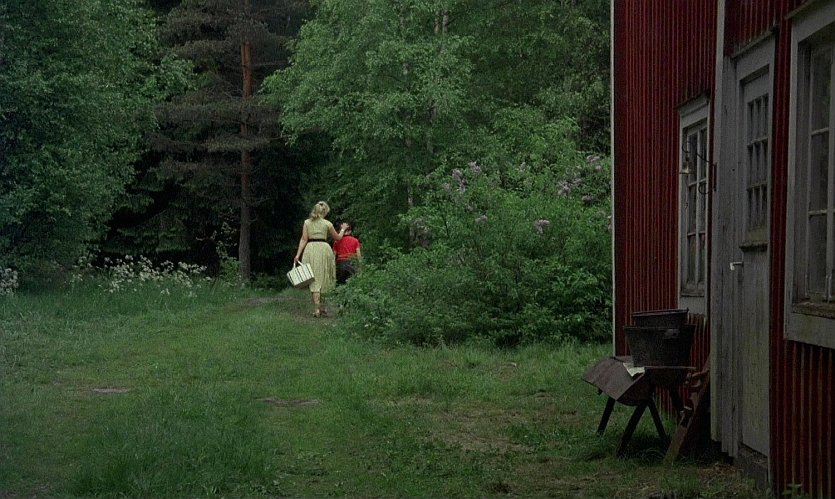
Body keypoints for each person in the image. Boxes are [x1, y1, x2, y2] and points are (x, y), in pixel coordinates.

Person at [293, 201, 347, 317]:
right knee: (324, 278)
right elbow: (338, 238)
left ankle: (318, 309)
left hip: (310, 249)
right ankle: (321, 308)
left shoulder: (307, 222)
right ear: (325, 211)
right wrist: (343, 229)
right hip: (324, 249)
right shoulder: (327, 224)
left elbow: (304, 239)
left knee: (314, 279)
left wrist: (298, 255)